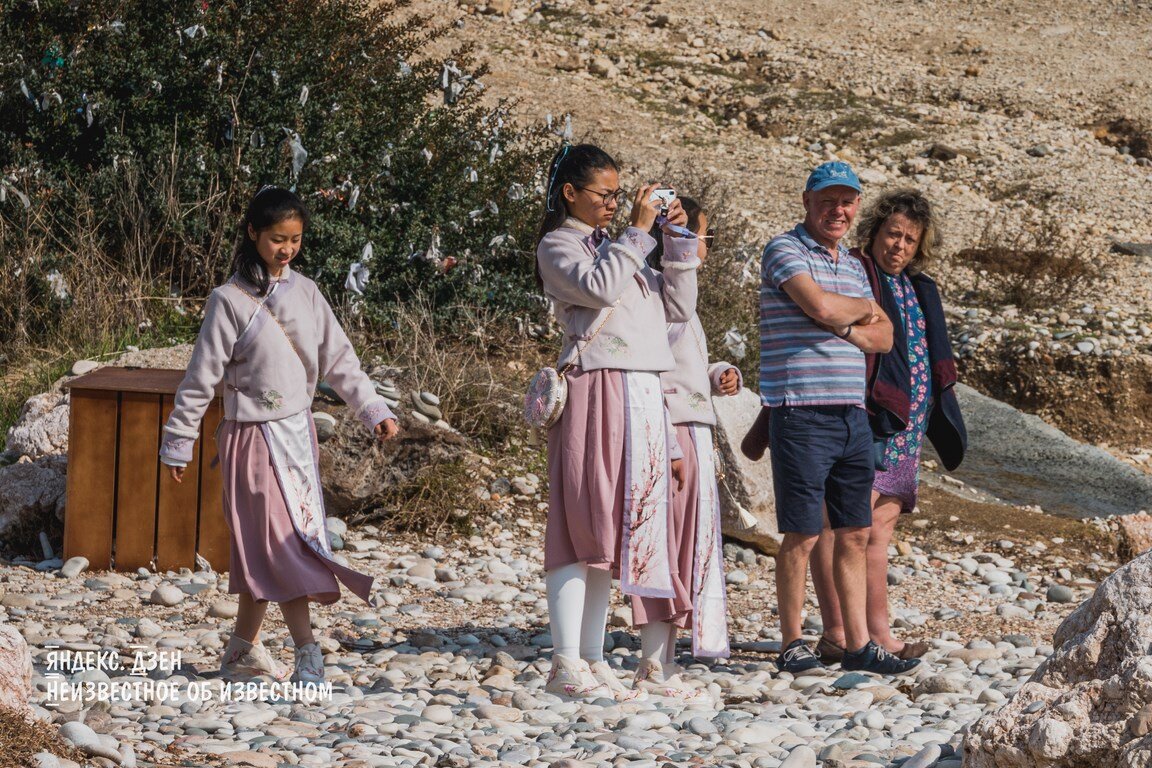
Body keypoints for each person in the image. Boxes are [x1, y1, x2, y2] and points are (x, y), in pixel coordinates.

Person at [159, 187, 400, 684]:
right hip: (251, 441)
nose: (286, 249)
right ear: (253, 234)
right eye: (276, 239)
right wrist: (179, 440)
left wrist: (371, 408)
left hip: (298, 435)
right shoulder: (227, 301)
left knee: (271, 543)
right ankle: (307, 652)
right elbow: (201, 377)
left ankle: (241, 651)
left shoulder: (307, 291)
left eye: (294, 240)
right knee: (280, 543)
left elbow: (339, 359)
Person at [535, 143, 700, 700]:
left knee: (612, 532)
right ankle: (563, 662)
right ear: (570, 193)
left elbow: (677, 311)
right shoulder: (557, 246)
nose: (612, 203)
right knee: (579, 522)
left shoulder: (620, 248)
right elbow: (600, 288)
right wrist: (637, 229)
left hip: (641, 390)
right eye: (604, 194)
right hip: (597, 389)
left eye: (616, 194)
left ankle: (591, 656)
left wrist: (676, 242)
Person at [757, 161, 919, 676]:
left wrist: (845, 323)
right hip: (800, 409)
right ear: (807, 201)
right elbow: (820, 307)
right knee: (802, 533)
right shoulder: (783, 249)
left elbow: (885, 335)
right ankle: (791, 641)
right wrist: (851, 315)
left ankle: (857, 644)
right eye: (828, 200)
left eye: (847, 201)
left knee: (853, 531)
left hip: (852, 412)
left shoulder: (852, 265)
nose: (838, 210)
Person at [809, 188, 967, 664]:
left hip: (907, 427)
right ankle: (837, 630)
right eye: (892, 234)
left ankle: (880, 633)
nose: (899, 246)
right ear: (875, 231)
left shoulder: (920, 287)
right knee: (838, 526)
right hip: (865, 417)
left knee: (878, 531)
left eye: (910, 240)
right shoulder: (856, 272)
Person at [632, 197, 741, 698]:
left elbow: (684, 365)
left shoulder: (680, 304)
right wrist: (673, 441)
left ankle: (666, 659)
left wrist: (717, 373)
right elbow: (657, 373)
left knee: (687, 542)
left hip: (692, 428)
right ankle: (653, 663)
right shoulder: (660, 298)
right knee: (671, 542)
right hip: (675, 430)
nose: (705, 247)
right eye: (701, 235)